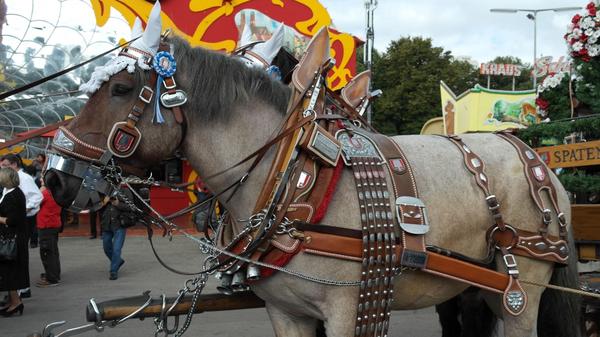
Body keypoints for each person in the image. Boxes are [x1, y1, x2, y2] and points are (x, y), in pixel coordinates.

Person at [0, 154, 42, 299]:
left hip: (22, 222)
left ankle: (21, 289)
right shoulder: (11, 184)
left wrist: (23, 210)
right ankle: (17, 290)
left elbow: (37, 197)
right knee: (14, 258)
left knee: (18, 256)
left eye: (5, 165)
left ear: (14, 165)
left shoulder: (23, 178)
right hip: (16, 221)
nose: (2, 167)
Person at [0, 168, 28, 317]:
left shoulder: (13, 195)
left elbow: (12, 220)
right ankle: (14, 302)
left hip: (12, 240)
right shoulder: (11, 192)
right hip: (11, 238)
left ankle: (16, 302)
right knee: (9, 272)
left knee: (11, 271)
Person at [100, 187, 134, 280]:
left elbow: (131, 206)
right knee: (106, 247)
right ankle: (118, 261)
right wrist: (104, 202)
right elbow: (97, 206)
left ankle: (113, 271)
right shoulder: (104, 190)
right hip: (107, 224)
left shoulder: (125, 191)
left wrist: (118, 204)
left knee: (116, 249)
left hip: (119, 224)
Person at [35, 180, 62, 287]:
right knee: (53, 251)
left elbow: (34, 201)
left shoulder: (45, 193)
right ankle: (54, 274)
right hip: (54, 224)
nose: (41, 180)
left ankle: (52, 278)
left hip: (46, 225)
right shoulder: (57, 192)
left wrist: (40, 190)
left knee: (47, 253)